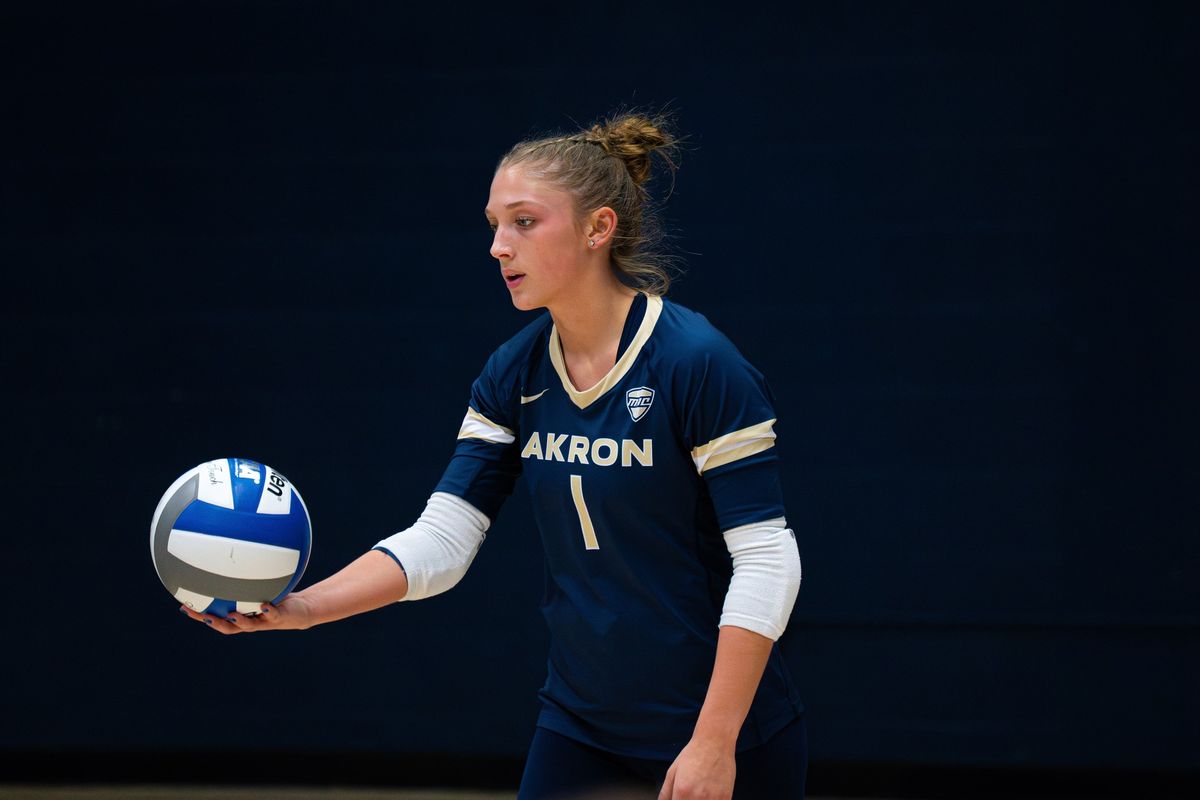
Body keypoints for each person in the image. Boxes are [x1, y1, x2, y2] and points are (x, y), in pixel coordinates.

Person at [180, 108, 807, 800]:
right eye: (493, 226)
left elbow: (768, 557)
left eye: (524, 222)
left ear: (599, 228)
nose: (497, 247)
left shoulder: (697, 363)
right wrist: (304, 609)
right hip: (580, 727)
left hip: (722, 735)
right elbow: (444, 541)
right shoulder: (514, 374)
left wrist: (714, 742)